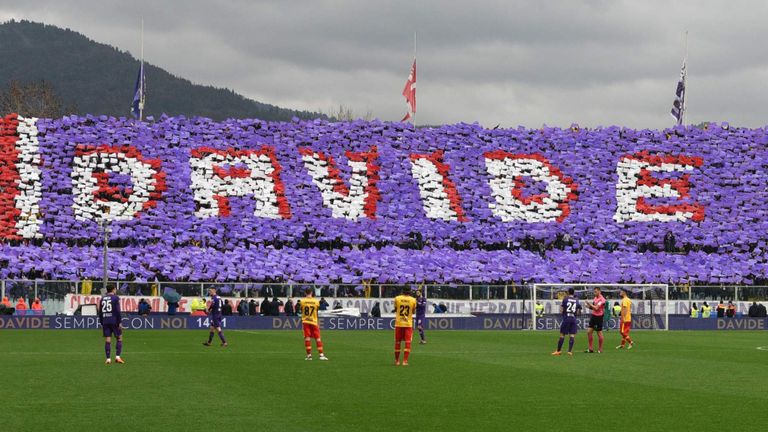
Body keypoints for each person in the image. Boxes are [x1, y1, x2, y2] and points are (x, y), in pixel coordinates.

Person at [97, 285, 124, 365]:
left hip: (105, 320)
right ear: (113, 290)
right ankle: (117, 357)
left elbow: (100, 312)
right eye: (115, 289)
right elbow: (118, 311)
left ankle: (108, 359)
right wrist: (119, 322)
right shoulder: (115, 298)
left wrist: (102, 322)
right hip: (114, 320)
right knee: (119, 338)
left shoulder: (102, 298)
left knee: (108, 339)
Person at [300, 288, 328, 361]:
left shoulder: (302, 301)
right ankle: (321, 355)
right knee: (318, 338)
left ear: (305, 293)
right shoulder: (316, 301)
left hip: (305, 321)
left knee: (307, 338)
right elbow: (317, 309)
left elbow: (301, 309)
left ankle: (309, 356)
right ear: (311, 292)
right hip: (314, 321)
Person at [551, 288, 581, 356]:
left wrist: (563, 314)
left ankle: (558, 351)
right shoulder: (576, 300)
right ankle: (569, 351)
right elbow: (578, 311)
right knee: (572, 335)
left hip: (567, 318)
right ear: (573, 293)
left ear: (568, 292)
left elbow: (561, 309)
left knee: (562, 334)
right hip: (573, 318)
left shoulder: (565, 299)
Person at [394, 287, 417, 366]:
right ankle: (405, 361)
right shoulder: (413, 300)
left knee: (397, 342)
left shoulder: (397, 298)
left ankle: (397, 361)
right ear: (410, 291)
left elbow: (396, 308)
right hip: (408, 324)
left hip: (399, 323)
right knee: (408, 343)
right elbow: (413, 311)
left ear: (402, 291)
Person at [584, 287, 606, 353]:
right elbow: (593, 308)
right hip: (594, 316)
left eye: (596, 292)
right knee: (589, 332)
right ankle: (590, 349)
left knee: (599, 332)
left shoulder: (602, 299)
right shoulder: (595, 298)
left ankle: (600, 349)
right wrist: (589, 306)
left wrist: (589, 303)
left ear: (599, 291)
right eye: (594, 292)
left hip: (599, 317)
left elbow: (596, 308)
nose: (594, 293)